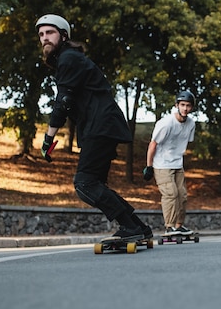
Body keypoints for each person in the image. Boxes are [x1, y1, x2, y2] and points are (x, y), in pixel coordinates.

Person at [35, 14, 151, 240]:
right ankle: (137, 227)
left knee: (85, 183)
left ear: (63, 35)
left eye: (50, 33)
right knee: (95, 183)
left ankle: (131, 227)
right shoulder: (70, 58)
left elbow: (64, 101)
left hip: (101, 125)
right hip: (101, 125)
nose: (44, 38)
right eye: (41, 35)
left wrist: (49, 138)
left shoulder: (68, 59)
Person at [143, 91, 196, 236]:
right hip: (161, 164)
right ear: (177, 105)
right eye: (183, 105)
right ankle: (169, 226)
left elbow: (185, 142)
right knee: (171, 194)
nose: (185, 109)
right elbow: (153, 144)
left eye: (188, 106)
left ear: (191, 108)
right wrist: (149, 166)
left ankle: (179, 226)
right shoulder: (166, 123)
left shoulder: (191, 123)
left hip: (177, 164)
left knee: (182, 195)